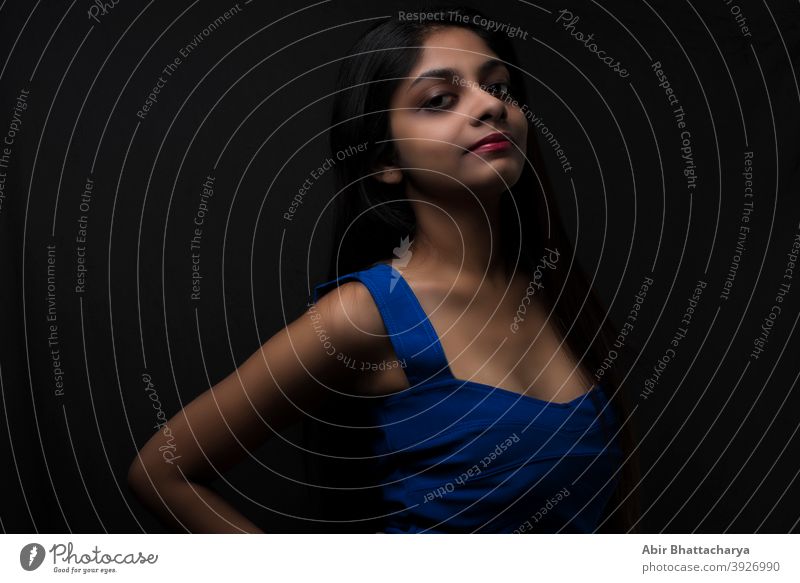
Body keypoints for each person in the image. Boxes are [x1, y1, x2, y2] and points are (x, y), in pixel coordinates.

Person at [127, 5, 640, 534]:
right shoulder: (366, 315)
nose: (490, 105)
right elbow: (161, 473)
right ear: (384, 161)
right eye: (440, 100)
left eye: (500, 87)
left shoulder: (550, 290)